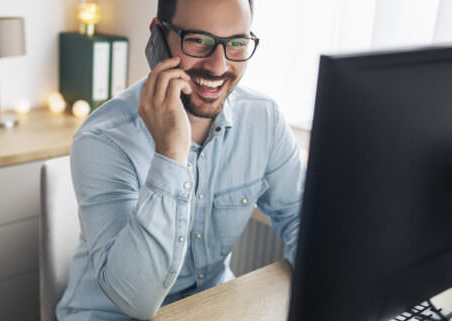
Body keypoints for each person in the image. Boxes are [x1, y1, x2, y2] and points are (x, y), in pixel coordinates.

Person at [56, 0, 305, 319]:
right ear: (158, 36)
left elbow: (301, 217)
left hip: (210, 310)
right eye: (198, 40)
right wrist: (171, 151)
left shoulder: (263, 118)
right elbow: (137, 301)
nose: (218, 65)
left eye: (237, 44)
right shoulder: (104, 138)